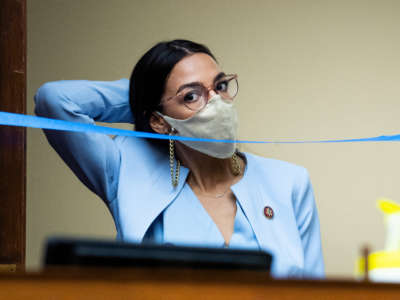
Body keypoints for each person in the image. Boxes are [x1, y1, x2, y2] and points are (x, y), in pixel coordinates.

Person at [34, 39, 324, 278]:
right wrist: (142, 96)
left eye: (220, 86)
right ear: (159, 122)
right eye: (191, 96)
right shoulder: (126, 170)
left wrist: (187, 95)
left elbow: (316, 294)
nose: (217, 103)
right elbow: (55, 100)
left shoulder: (289, 182)